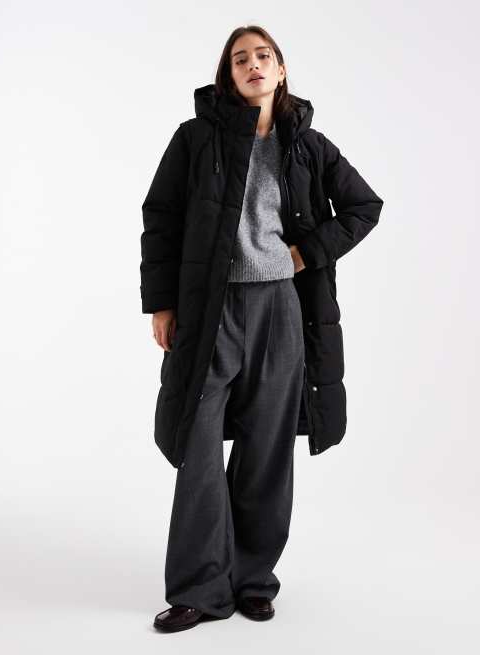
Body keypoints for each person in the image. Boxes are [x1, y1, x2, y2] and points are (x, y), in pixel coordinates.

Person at [140, 25, 384, 633]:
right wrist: (161, 304)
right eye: (240, 59)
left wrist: (304, 254)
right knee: (198, 445)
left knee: (267, 449)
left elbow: (365, 206)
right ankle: (200, 588)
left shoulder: (308, 145)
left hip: (280, 309)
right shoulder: (196, 139)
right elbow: (161, 216)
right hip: (210, 309)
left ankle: (252, 580)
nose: (253, 65)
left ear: (280, 69)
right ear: (228, 75)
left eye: (263, 56)